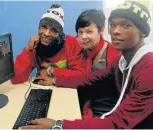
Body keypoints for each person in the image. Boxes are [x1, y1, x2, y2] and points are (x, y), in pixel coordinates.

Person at [20, 1, 153, 129]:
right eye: (112, 25)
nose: (115, 31)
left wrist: (58, 125)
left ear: (143, 31)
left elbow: (117, 124)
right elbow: (88, 78)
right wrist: (54, 80)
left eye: (125, 25)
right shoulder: (121, 61)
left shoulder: (149, 68)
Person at [11, 4, 86, 86]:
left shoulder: (70, 43)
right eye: (43, 27)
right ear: (39, 28)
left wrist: (51, 72)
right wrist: (28, 50)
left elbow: (81, 75)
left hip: (66, 91)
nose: (47, 33)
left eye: (53, 30)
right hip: (42, 89)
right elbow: (16, 78)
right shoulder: (35, 46)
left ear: (59, 34)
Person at [75, 9, 120, 119]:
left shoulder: (115, 54)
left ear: (102, 30)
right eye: (80, 32)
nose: (83, 37)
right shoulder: (81, 51)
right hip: (85, 109)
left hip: (108, 114)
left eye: (89, 31)